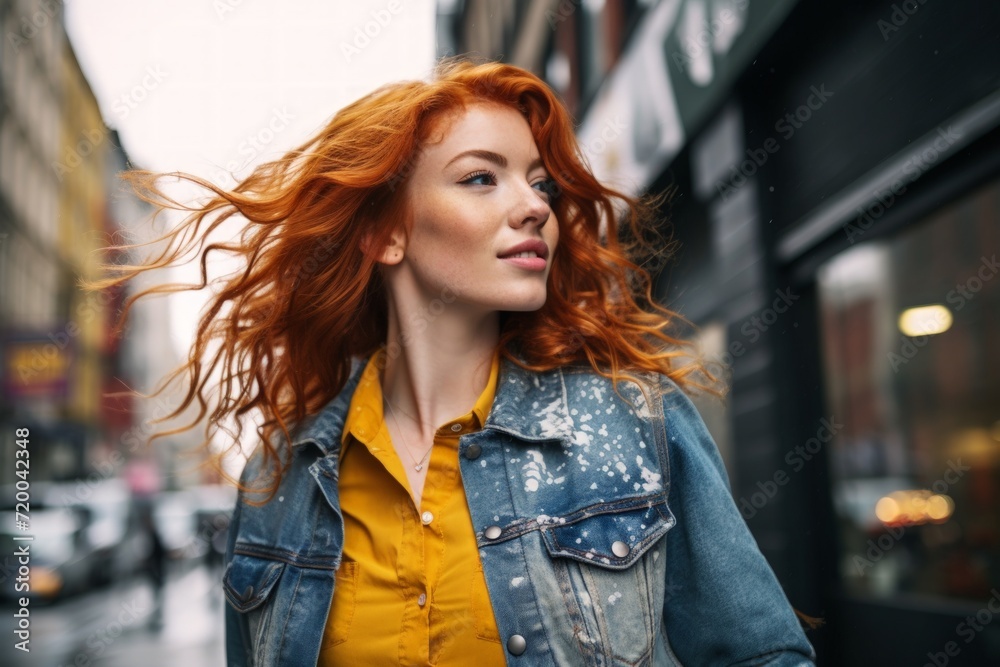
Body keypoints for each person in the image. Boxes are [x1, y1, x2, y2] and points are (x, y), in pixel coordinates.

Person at [93, 57, 820, 666]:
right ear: (386, 234)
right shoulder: (282, 473)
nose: (534, 206)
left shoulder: (635, 423)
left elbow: (764, 655)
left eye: (539, 183)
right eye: (482, 177)